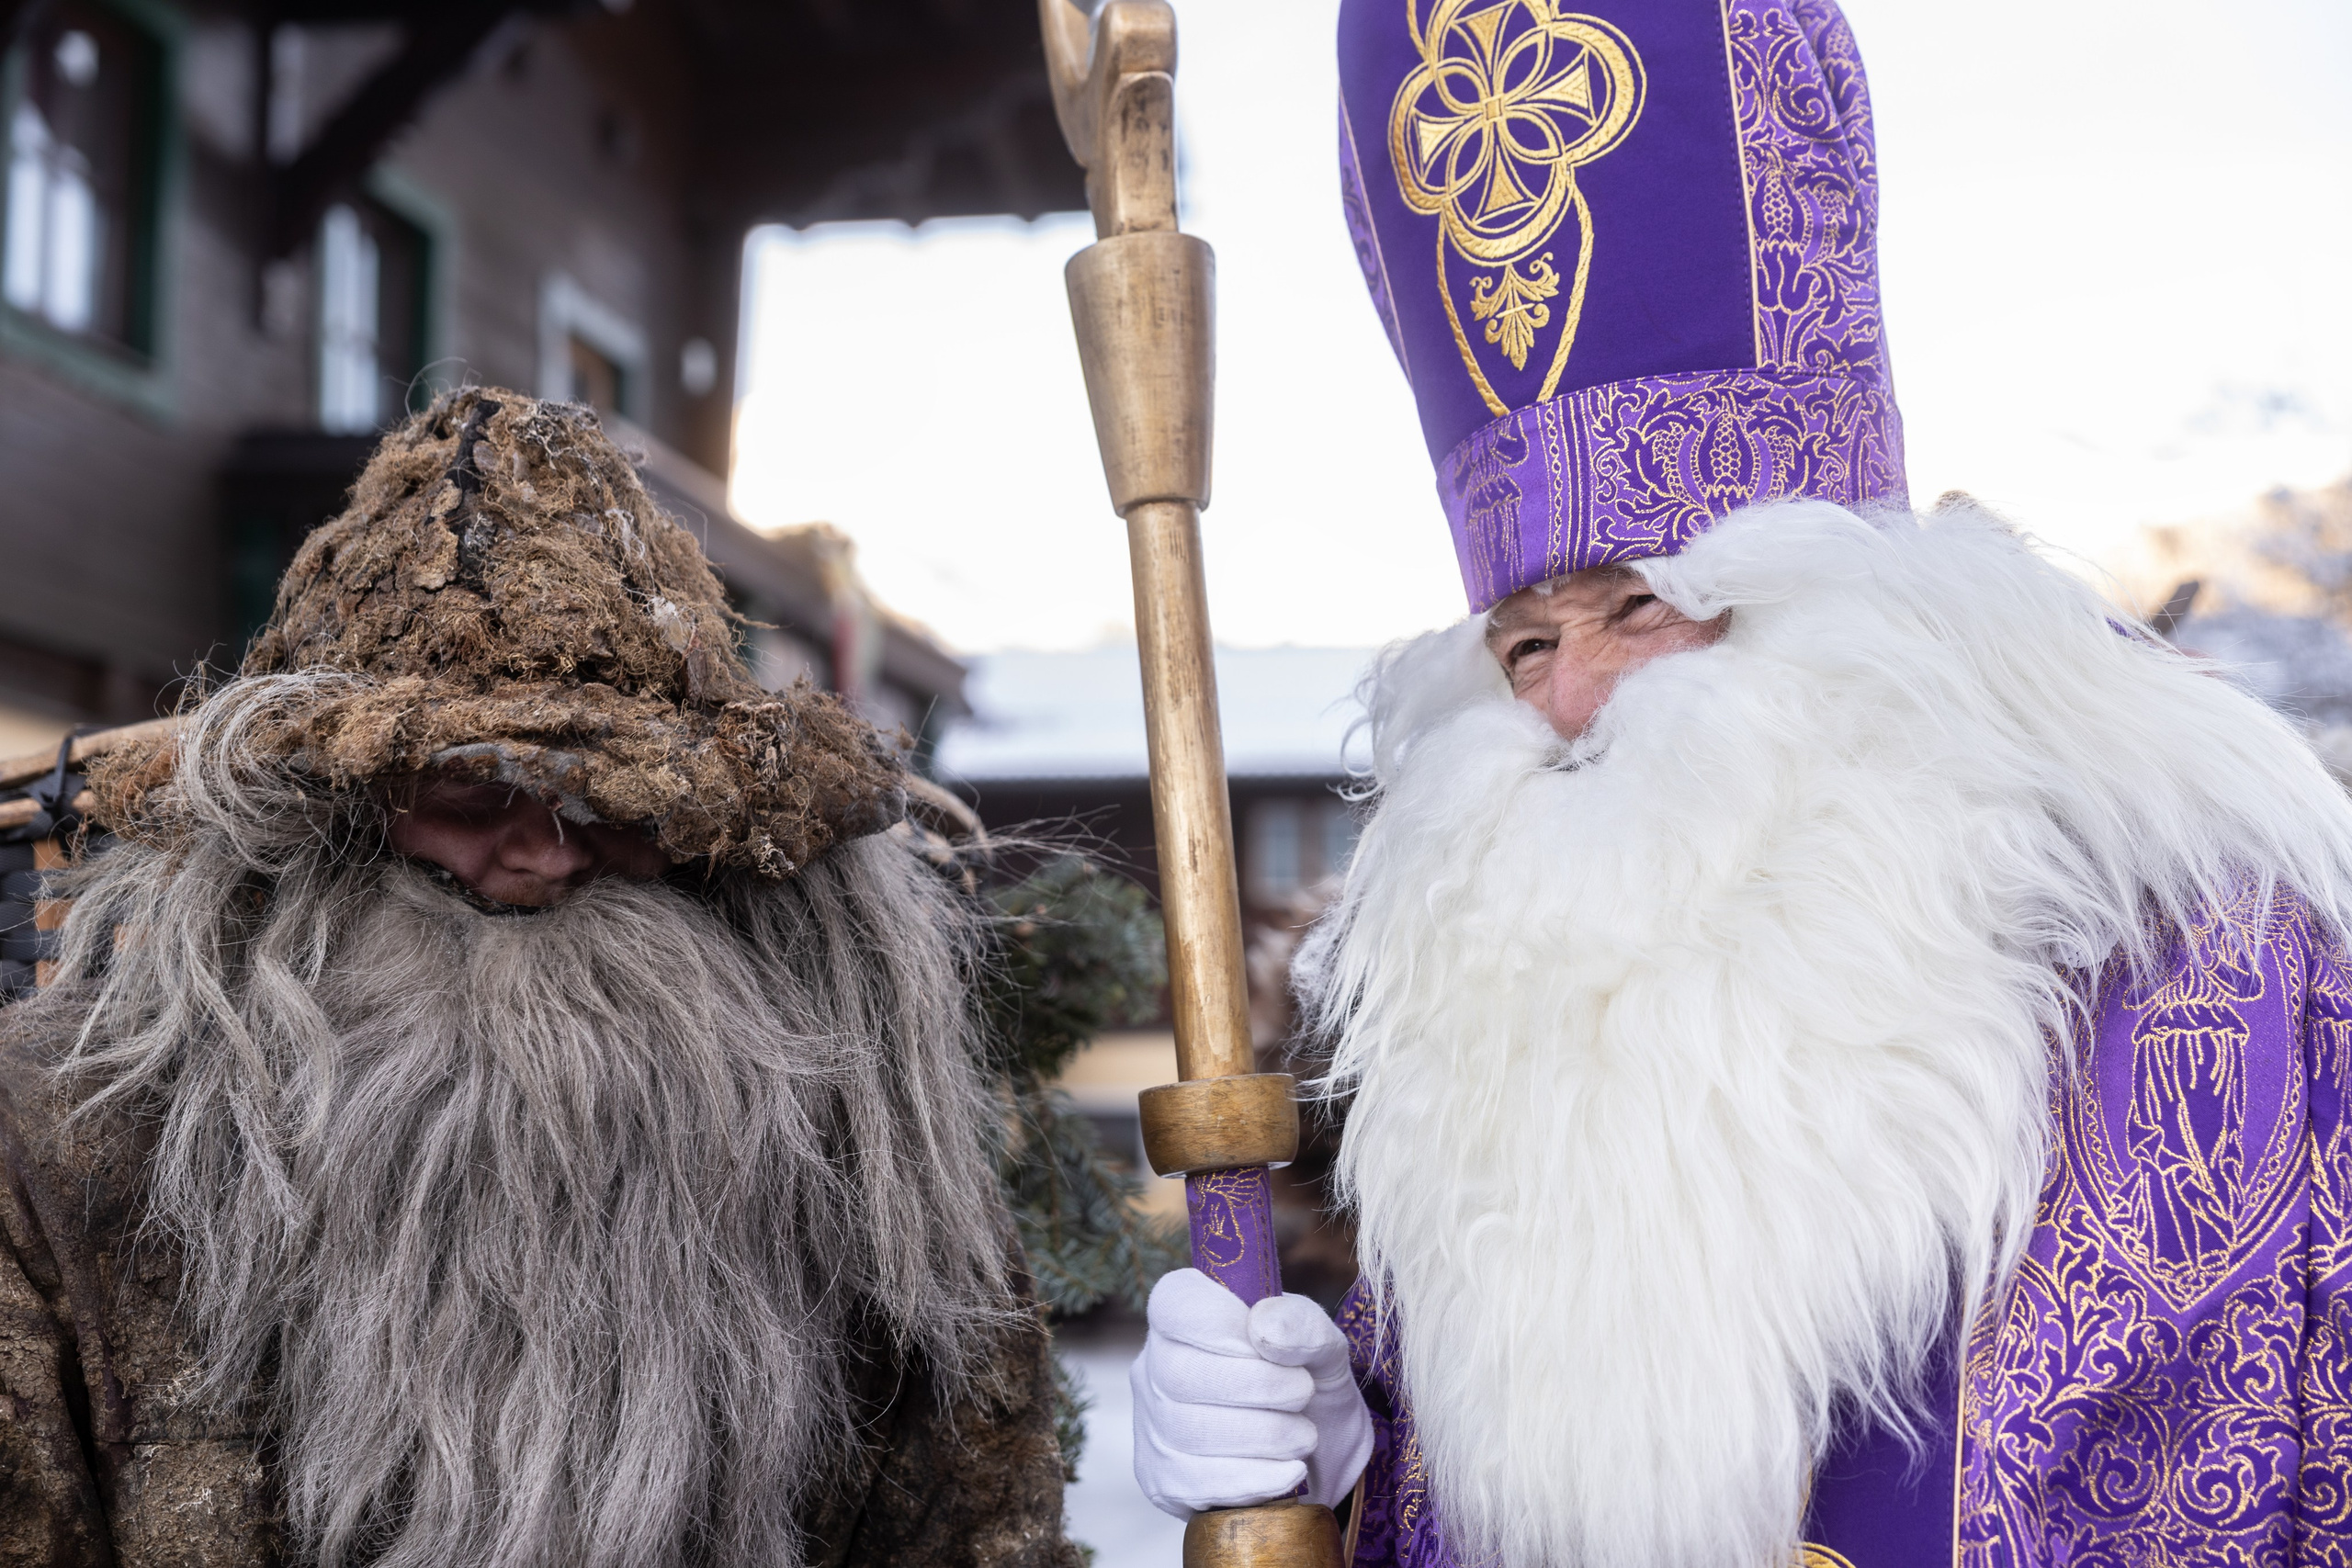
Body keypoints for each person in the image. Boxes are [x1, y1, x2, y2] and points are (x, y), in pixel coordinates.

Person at [1130, 1, 2352, 1563]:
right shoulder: (1505, 1100)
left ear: (1845, 617)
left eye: (1640, 607)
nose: (1569, 704)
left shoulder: (2227, 969)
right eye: (1521, 646)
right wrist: (1351, 1455)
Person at [0, 389, 1080, 1568]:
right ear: (325, 820)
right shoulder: (65, 1142)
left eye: (610, 803)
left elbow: (973, 1527)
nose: (547, 852)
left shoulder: (863, 1160)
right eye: (474, 797)